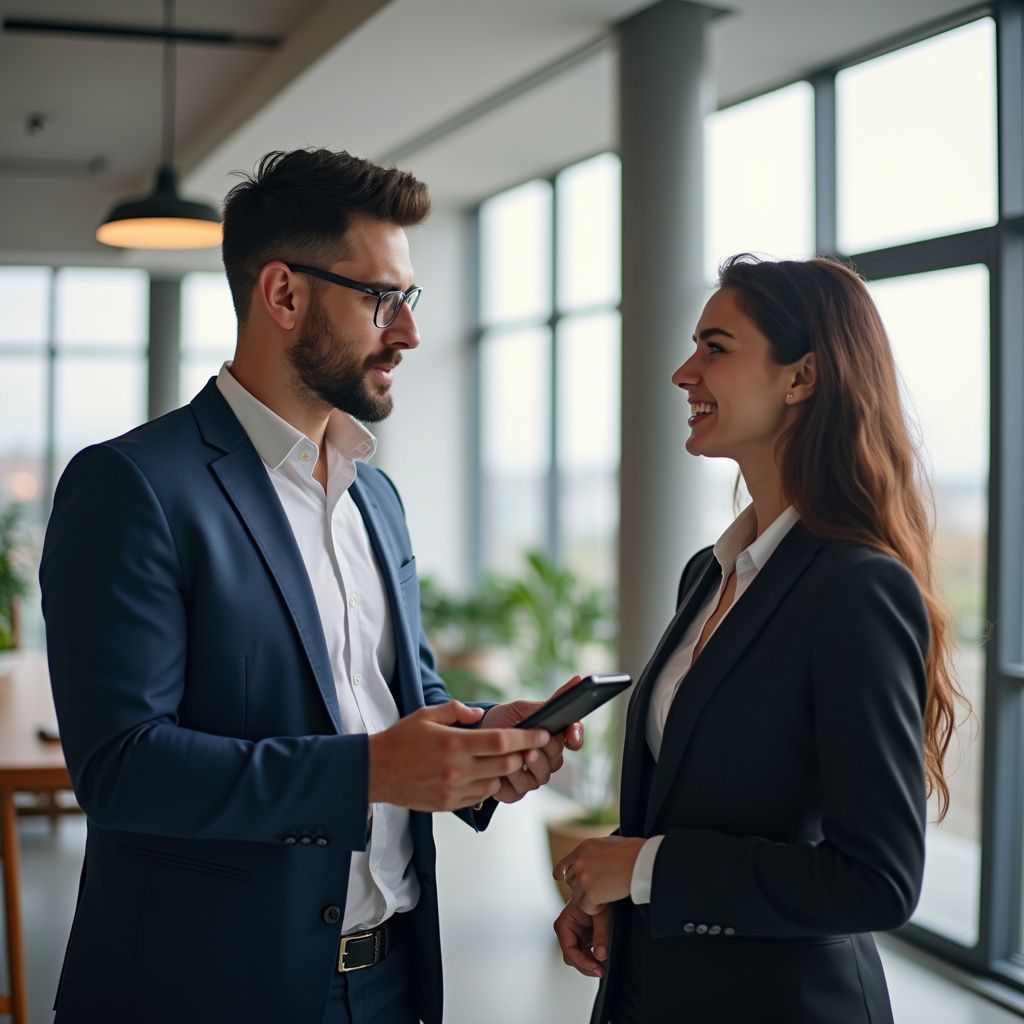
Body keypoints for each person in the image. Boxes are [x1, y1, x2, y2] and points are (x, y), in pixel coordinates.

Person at [40, 148, 583, 1024]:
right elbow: (122, 768)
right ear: (284, 295)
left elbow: (394, 690)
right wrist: (371, 770)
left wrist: (477, 748)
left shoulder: (376, 493)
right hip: (209, 990)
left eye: (410, 300)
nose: (406, 333)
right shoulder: (132, 486)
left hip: (392, 980)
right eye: (382, 299)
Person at [552, 254, 964, 1023]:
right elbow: (699, 800)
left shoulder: (856, 589)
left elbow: (876, 879)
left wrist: (645, 870)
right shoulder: (707, 577)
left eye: (715, 347)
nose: (683, 372)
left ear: (801, 378)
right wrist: (622, 890)